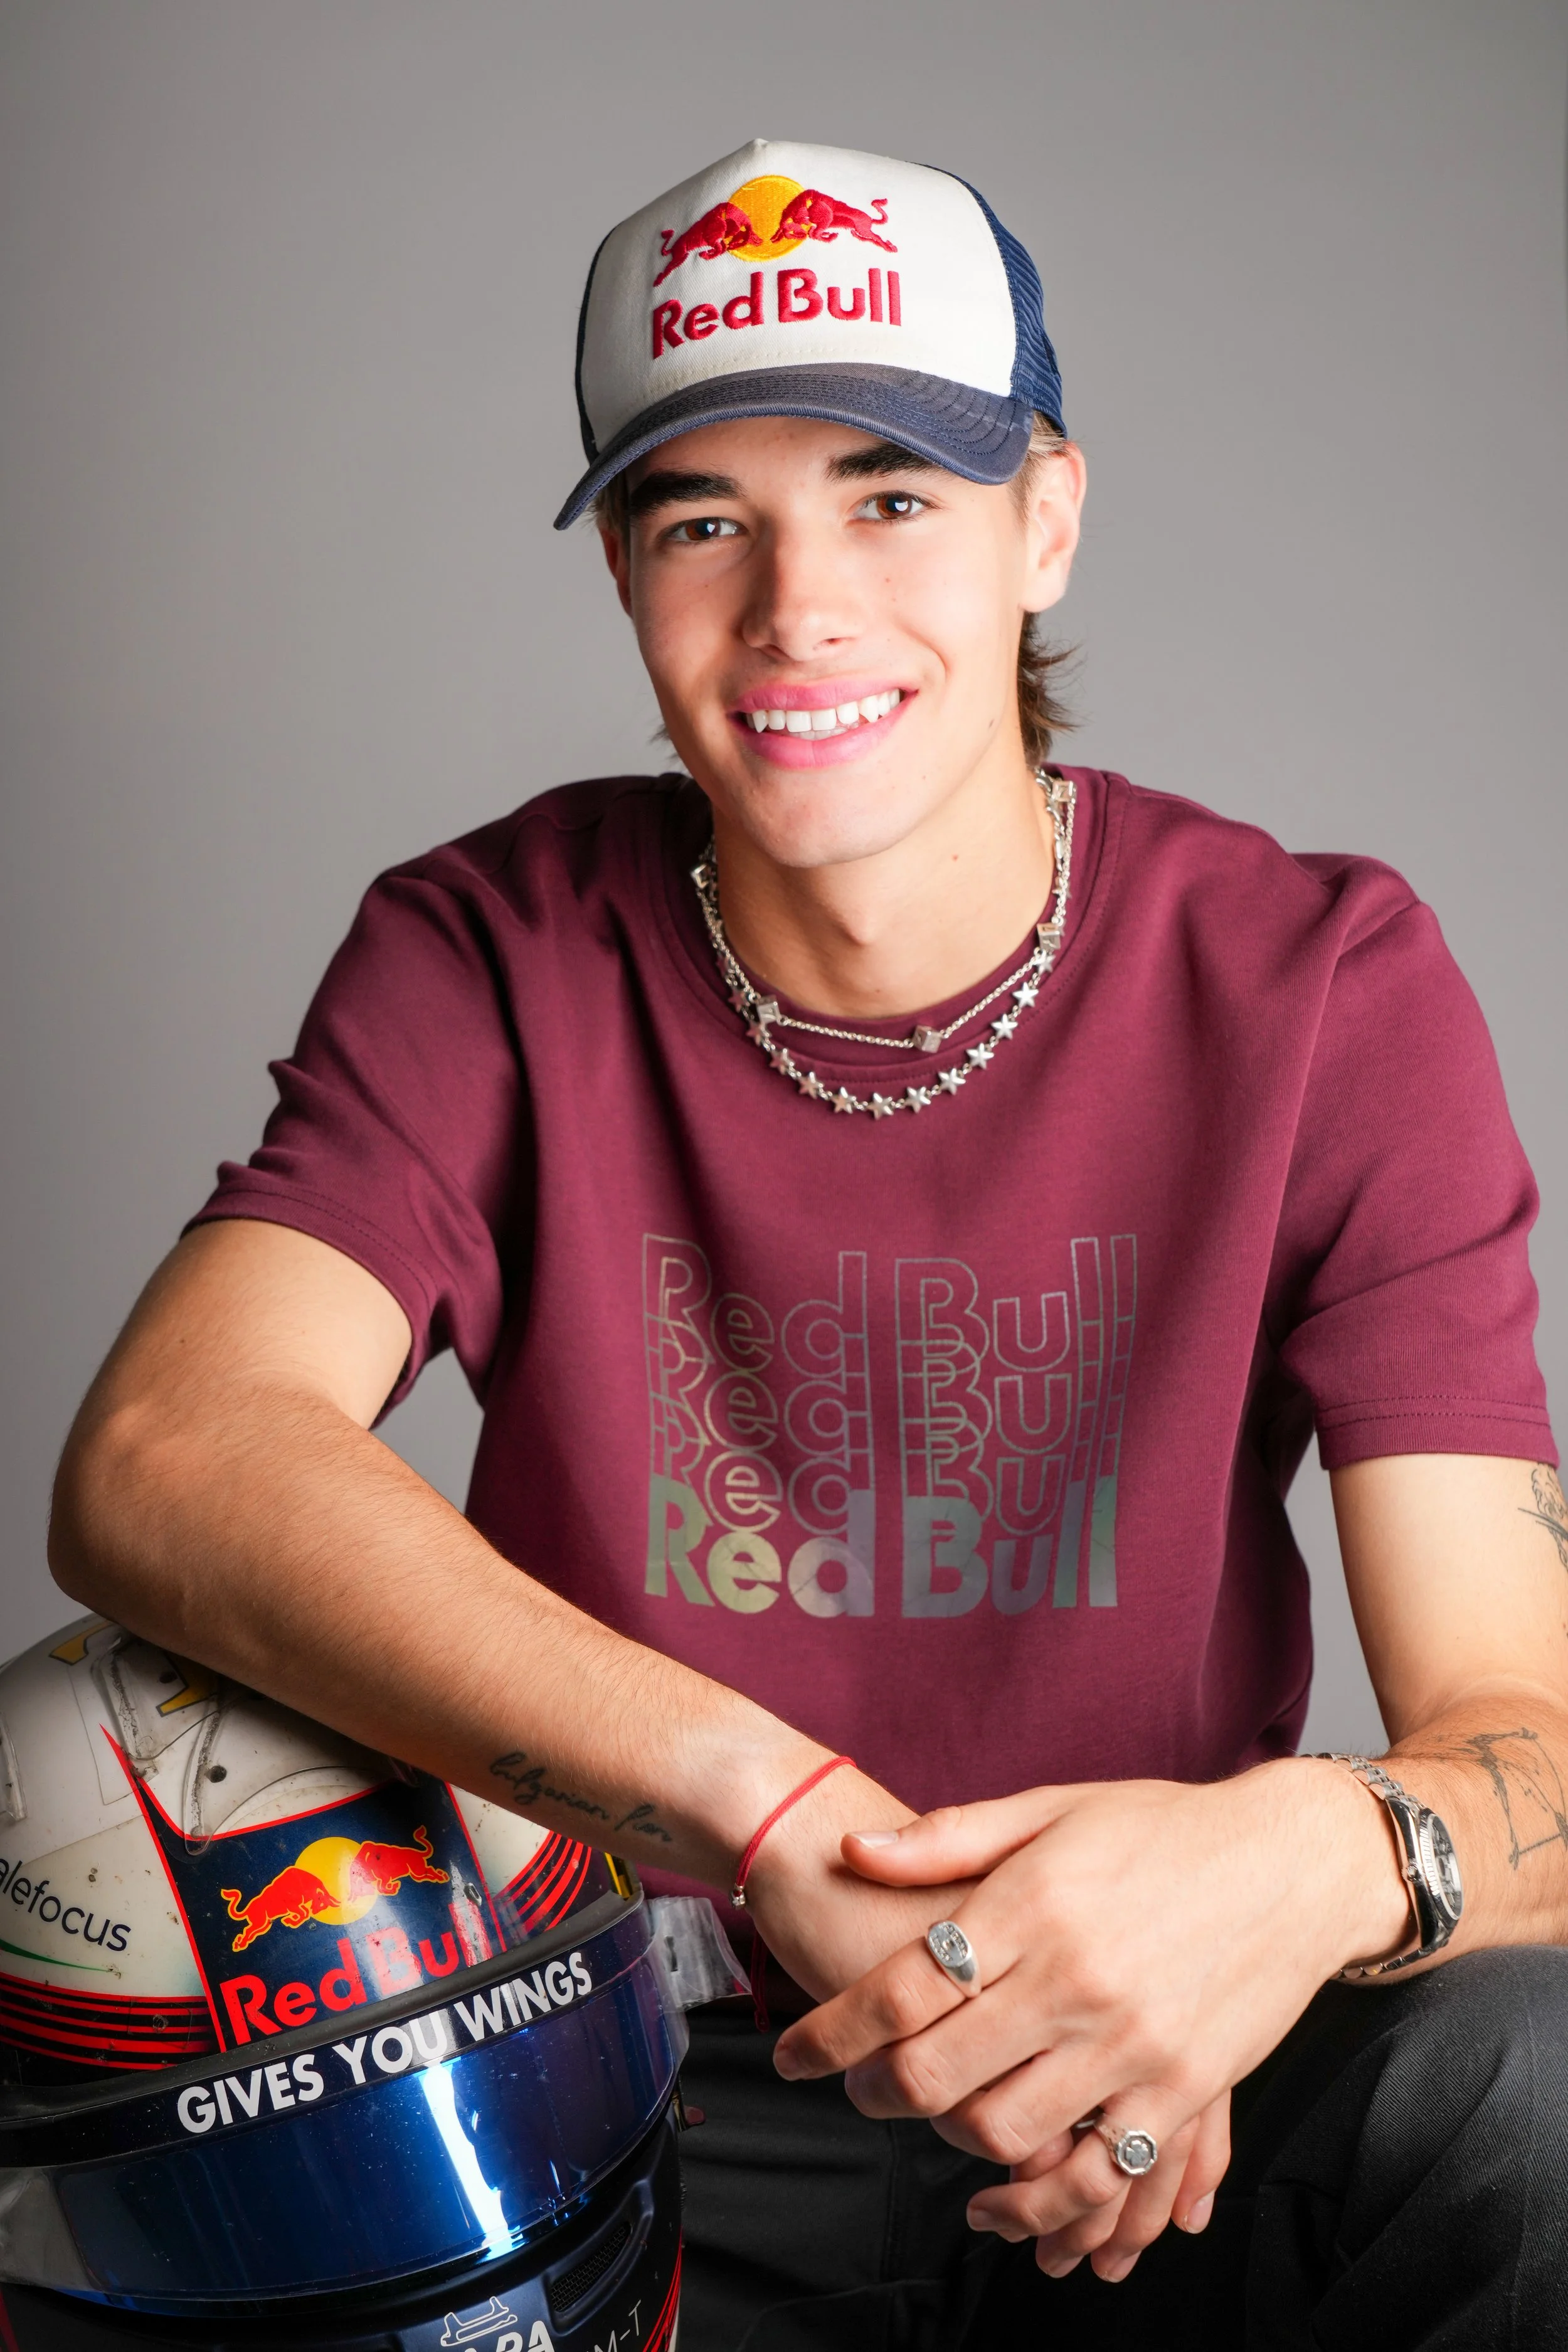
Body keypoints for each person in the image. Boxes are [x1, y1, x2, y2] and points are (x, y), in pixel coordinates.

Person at [47, 137, 1568, 2349]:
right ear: (626, 581)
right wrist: (779, 1822)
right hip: (618, 2065)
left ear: (1044, 515)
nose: (797, 613)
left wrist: (1295, 1865)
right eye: (700, 523)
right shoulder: (493, 947)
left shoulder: (1315, 975)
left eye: (888, 496)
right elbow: (169, 1456)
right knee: (76, 1851)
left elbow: (1525, 1745)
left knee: (1522, 2081)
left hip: (1156, 2083)